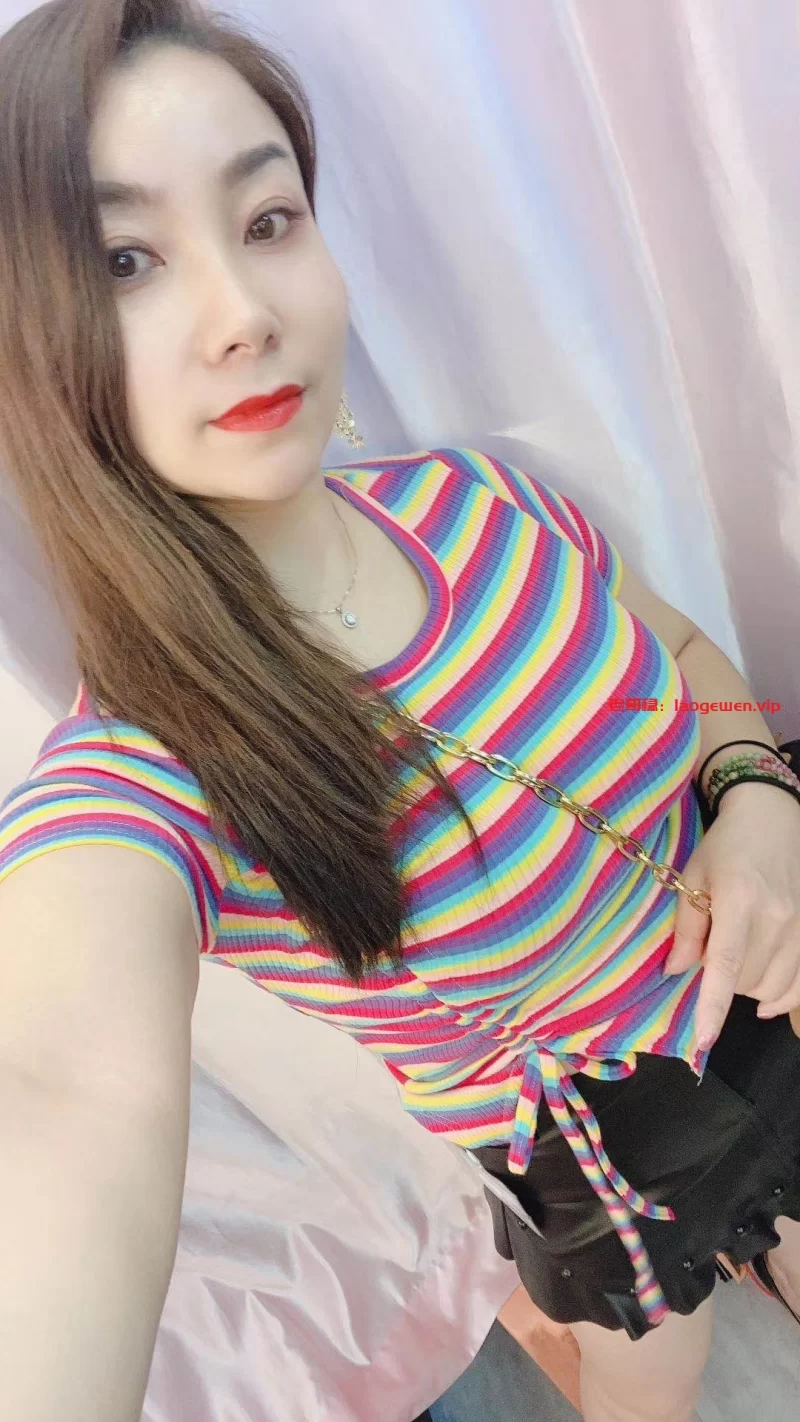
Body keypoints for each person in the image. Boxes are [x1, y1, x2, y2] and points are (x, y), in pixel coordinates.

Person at [0, 2, 799, 1420]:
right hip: (619, 1146)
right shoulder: (146, 766)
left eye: (267, 220)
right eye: (126, 260)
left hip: (771, 993)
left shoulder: (476, 497)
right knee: (655, 1385)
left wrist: (753, 793)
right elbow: (67, 1093)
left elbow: (686, 652)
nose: (244, 313)